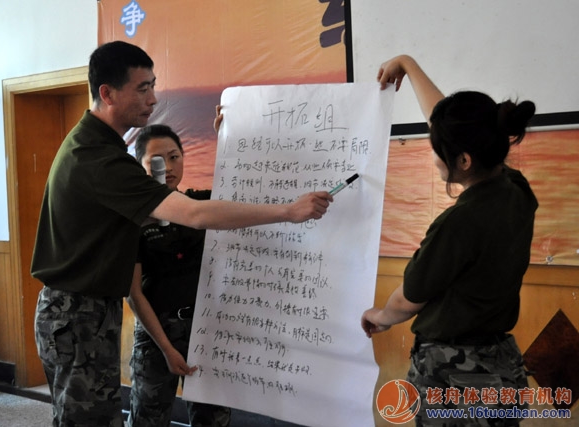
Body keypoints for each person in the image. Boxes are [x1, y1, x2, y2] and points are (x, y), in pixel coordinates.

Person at [31, 40, 332, 427]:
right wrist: (288, 212)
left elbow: (202, 204)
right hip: (77, 313)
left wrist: (230, 145)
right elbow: (194, 213)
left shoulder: (97, 147)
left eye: (153, 86)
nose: (153, 99)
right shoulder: (98, 159)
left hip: (88, 311)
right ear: (107, 93)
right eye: (142, 88)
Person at [361, 55, 538, 426]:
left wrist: (380, 316)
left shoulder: (459, 223)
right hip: (502, 367)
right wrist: (408, 65)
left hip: (454, 376)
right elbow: (451, 125)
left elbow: (408, 299)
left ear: (464, 161)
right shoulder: (515, 189)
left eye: (436, 148)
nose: (433, 154)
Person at [126, 124, 231, 427]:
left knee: (213, 418)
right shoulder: (134, 221)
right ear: (141, 165)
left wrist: (227, 132)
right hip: (156, 335)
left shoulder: (200, 204)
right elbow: (134, 294)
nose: (168, 167)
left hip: (205, 330)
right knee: (148, 419)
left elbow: (237, 187)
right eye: (157, 160)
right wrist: (167, 349)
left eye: (174, 157)